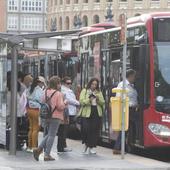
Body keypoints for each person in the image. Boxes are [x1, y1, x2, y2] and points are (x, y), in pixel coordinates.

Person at [33, 76, 67, 161]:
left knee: (48, 134)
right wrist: (65, 103)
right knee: (51, 135)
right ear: (57, 84)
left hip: (46, 115)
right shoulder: (58, 94)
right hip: (55, 116)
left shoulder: (45, 91)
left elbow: (42, 102)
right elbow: (60, 106)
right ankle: (45, 154)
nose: (60, 85)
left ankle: (40, 150)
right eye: (59, 83)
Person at [113, 69, 138, 154]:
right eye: (134, 76)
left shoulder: (131, 85)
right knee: (124, 129)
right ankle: (117, 148)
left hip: (132, 110)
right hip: (126, 109)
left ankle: (126, 147)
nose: (135, 78)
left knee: (129, 129)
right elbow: (119, 96)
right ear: (130, 76)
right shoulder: (122, 84)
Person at [79, 78, 105, 154]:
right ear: (90, 84)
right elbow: (81, 102)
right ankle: (86, 145)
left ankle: (92, 147)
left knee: (94, 130)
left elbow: (103, 102)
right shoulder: (85, 91)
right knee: (86, 129)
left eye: (95, 84)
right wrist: (89, 100)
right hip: (86, 113)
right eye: (93, 84)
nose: (94, 86)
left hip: (96, 112)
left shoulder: (99, 92)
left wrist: (97, 99)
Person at [57, 76, 80, 154]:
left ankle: (63, 146)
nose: (70, 84)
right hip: (67, 112)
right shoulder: (63, 90)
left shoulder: (67, 90)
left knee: (65, 130)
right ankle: (62, 146)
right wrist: (78, 103)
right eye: (68, 83)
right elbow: (69, 100)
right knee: (64, 130)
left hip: (70, 111)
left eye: (70, 83)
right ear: (64, 83)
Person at [27, 76, 46, 152]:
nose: (43, 84)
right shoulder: (38, 89)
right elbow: (41, 100)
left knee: (31, 128)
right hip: (36, 110)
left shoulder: (30, 88)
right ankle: (34, 147)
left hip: (29, 109)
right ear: (39, 82)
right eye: (42, 83)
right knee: (36, 129)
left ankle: (29, 146)